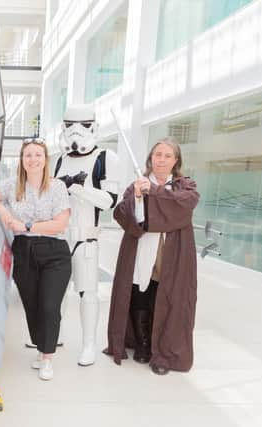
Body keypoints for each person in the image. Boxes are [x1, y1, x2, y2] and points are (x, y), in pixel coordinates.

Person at [103, 137, 199, 375]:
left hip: (171, 252)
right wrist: (137, 196)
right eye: (158, 155)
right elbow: (123, 215)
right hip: (141, 248)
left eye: (167, 155)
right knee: (140, 294)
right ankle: (143, 344)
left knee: (165, 297)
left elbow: (182, 208)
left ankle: (163, 352)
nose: (162, 159)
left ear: (175, 160)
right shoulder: (137, 184)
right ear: (151, 158)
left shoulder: (185, 186)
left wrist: (153, 192)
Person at [0, 138, 71, 381]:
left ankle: (48, 356)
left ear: (45, 159)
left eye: (38, 155)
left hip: (55, 252)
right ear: (21, 160)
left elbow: (60, 223)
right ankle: (41, 349)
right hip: (23, 251)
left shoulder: (57, 186)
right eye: (28, 155)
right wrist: (3, 210)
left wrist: (27, 225)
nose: (33, 159)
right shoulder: (12, 186)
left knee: (50, 306)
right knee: (32, 305)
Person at [53, 104, 119, 366]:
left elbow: (109, 201)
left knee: (88, 293)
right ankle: (52, 336)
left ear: (93, 127)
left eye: (82, 125)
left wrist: (80, 189)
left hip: (86, 237)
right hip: (59, 236)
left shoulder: (105, 158)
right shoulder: (59, 159)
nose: (75, 131)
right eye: (69, 125)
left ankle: (89, 343)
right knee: (56, 291)